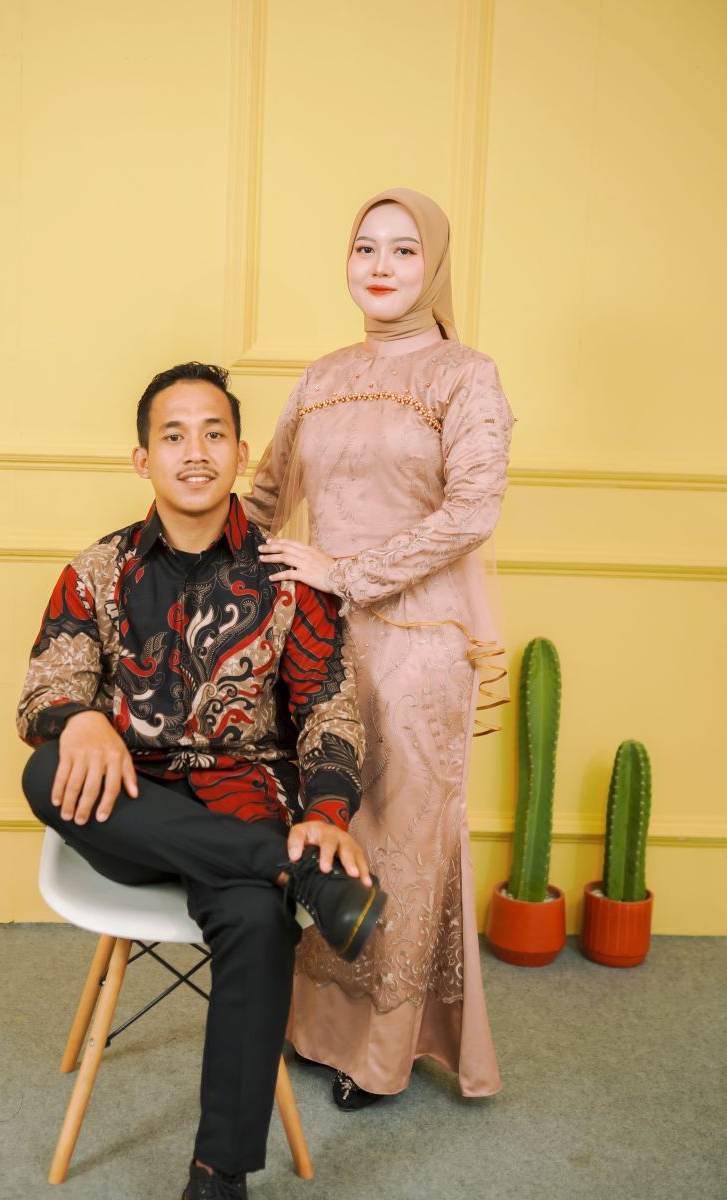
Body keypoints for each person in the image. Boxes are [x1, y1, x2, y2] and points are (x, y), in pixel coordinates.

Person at [16, 361, 387, 1200]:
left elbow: (329, 710)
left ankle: (218, 1179)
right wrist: (79, 722)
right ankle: (294, 872)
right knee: (45, 772)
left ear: (241, 453)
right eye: (173, 435)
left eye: (214, 434)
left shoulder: (289, 578)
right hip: (131, 808)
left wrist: (327, 813)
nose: (195, 452)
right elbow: (46, 688)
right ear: (142, 459)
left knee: (255, 917)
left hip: (246, 801)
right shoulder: (99, 570)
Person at [243, 188, 512, 1109]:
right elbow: (265, 497)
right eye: (366, 247)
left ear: (432, 266)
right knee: (329, 828)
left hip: (420, 649)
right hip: (318, 643)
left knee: (399, 839)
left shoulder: (466, 376)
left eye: (404, 249)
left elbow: (472, 510)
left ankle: (380, 1055)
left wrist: (347, 571)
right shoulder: (321, 376)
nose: (382, 265)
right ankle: (311, 1026)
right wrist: (190, 569)